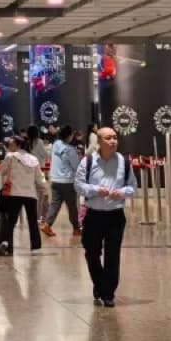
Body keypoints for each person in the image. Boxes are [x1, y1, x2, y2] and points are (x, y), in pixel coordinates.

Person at [77, 125, 138, 306]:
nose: (113, 141)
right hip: (93, 215)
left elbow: (133, 186)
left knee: (113, 255)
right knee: (91, 252)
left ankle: (108, 293)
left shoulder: (124, 162)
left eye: (115, 137)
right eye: (108, 138)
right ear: (99, 141)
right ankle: (100, 283)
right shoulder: (88, 162)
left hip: (115, 216)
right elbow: (78, 185)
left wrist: (123, 192)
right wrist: (96, 190)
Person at [0, 133, 44, 252]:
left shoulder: (10, 157)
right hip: (30, 194)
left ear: (18, 145)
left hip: (15, 193)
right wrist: (44, 189)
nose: (9, 147)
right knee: (33, 221)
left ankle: (7, 244)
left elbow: (2, 171)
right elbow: (39, 179)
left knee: (11, 221)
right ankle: (36, 246)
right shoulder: (33, 159)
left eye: (11, 145)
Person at [43, 125, 82, 234]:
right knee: (72, 206)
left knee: (54, 204)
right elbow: (76, 166)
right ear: (69, 136)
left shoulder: (56, 144)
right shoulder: (70, 150)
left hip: (55, 180)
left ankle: (47, 225)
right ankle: (76, 228)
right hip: (68, 181)